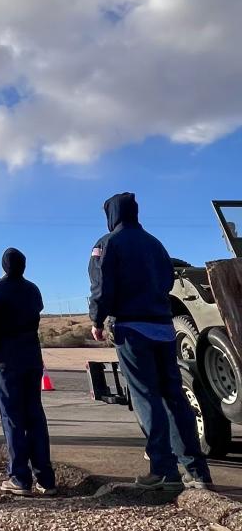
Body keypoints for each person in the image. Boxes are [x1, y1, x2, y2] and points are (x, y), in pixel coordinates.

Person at [89, 192, 212, 490]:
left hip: (132, 330)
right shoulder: (156, 244)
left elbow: (102, 285)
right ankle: (197, 472)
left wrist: (97, 319)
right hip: (164, 329)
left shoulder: (107, 244)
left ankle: (163, 470)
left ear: (112, 215)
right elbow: (169, 279)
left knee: (146, 398)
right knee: (175, 398)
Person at [0, 248, 56, 497]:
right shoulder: (33, 290)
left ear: (4, 266)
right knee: (35, 416)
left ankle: (19, 477)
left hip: (6, 360)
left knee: (12, 418)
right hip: (32, 357)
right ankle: (46, 478)